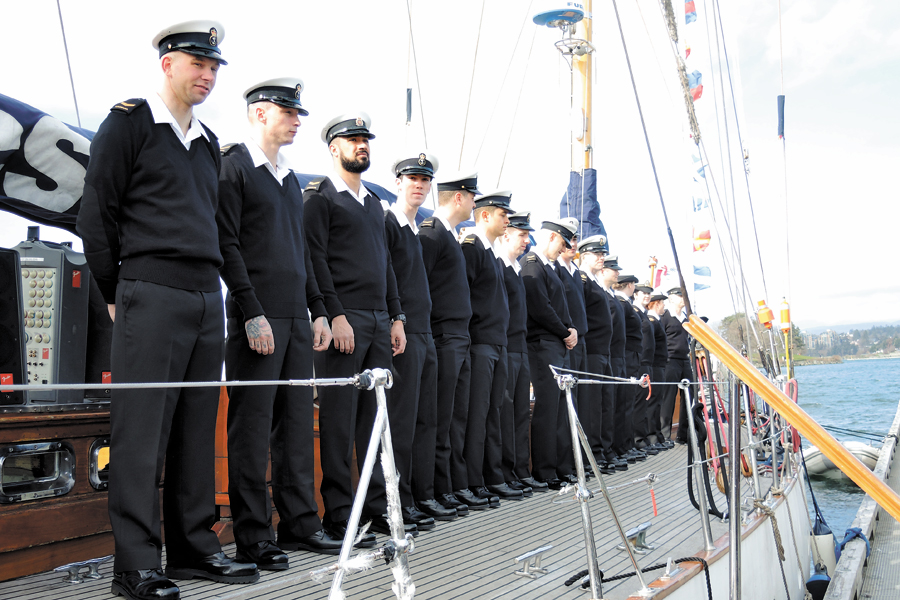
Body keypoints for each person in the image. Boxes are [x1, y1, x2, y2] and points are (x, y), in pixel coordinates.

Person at [77, 20, 258, 600]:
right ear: (167, 64)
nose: (207, 75)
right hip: (149, 289)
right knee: (141, 434)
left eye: (214, 67)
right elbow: (96, 214)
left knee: (195, 430)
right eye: (197, 63)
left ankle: (193, 547)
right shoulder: (128, 124)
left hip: (207, 296)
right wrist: (115, 291)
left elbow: (216, 227)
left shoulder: (207, 144)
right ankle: (134, 565)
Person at [216, 78, 343, 569]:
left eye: (297, 114)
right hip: (258, 316)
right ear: (258, 113)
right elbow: (227, 244)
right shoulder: (234, 167)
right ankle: (253, 535)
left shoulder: (289, 180)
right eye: (287, 112)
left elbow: (302, 253)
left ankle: (300, 523)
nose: (295, 121)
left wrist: (318, 309)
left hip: (294, 318)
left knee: (295, 426)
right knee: (251, 429)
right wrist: (251, 312)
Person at [302, 112, 412, 540]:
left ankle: (376, 509)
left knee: (376, 422)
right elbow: (315, 260)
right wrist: (334, 314)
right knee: (338, 423)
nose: (362, 145)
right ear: (334, 148)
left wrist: (396, 316)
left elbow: (386, 265)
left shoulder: (374, 204)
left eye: (365, 139)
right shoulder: (320, 198)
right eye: (352, 139)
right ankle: (338, 514)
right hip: (344, 321)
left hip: (379, 322)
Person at [382, 151, 447, 529]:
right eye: (413, 179)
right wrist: (397, 320)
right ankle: (396, 502)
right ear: (398, 183)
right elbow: (386, 278)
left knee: (424, 421)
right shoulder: (389, 223)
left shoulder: (413, 229)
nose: (419, 185)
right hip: (404, 334)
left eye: (425, 180)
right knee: (401, 424)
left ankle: (417, 497)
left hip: (425, 333)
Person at [418, 172, 485, 513]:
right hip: (443, 337)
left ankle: (450, 486)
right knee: (439, 419)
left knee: (456, 419)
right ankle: (433, 490)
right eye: (472, 197)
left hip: (460, 337)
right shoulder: (432, 233)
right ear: (458, 197)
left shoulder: (449, 236)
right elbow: (419, 285)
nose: (474, 203)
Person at [460, 190, 520, 506]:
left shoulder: (492, 253)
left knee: (493, 413)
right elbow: (464, 296)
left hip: (498, 344)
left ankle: (492, 478)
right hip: (480, 344)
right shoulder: (472, 248)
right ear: (485, 215)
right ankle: (473, 481)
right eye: (502, 214)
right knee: (477, 415)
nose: (507, 220)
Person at [520, 219, 578, 488]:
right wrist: (565, 331)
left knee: (561, 409)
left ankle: (561, 467)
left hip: (556, 343)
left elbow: (559, 306)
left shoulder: (549, 267)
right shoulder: (532, 264)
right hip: (543, 344)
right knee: (547, 409)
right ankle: (545, 470)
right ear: (553, 237)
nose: (564, 250)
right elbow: (540, 307)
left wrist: (570, 329)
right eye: (563, 244)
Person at [498, 213, 546, 492]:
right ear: (506, 235)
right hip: (504, 348)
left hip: (520, 348)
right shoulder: (500, 266)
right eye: (522, 235)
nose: (527, 241)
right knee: (505, 413)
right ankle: (506, 473)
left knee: (519, 413)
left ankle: (520, 470)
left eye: (528, 236)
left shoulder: (516, 269)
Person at [576, 235, 615, 474]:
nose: (602, 258)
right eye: (597, 254)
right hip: (591, 350)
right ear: (585, 256)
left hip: (603, 351)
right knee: (591, 407)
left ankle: (602, 452)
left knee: (604, 405)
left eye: (602, 254)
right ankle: (592, 456)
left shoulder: (595, 282)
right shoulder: (582, 280)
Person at [555, 220, 588, 477]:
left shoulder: (575, 272)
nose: (572, 244)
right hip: (565, 341)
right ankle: (563, 464)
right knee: (563, 406)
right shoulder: (555, 268)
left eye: (575, 239)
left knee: (579, 404)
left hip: (580, 342)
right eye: (568, 239)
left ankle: (577, 461)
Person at [611, 273, 647, 464]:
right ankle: (621, 446)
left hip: (631, 357)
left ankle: (626, 444)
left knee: (628, 404)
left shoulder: (625, 304)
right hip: (625, 356)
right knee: (623, 404)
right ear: (630, 285)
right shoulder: (622, 303)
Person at [598, 256, 628, 471]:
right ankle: (603, 451)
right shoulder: (601, 293)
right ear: (603, 271)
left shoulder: (611, 295)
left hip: (615, 355)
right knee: (604, 406)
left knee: (613, 405)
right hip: (604, 353)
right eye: (613, 269)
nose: (617, 273)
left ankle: (611, 449)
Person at [660, 287, 693, 443]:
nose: (682, 299)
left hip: (685, 360)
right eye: (680, 296)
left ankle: (683, 434)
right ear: (671, 298)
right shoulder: (665, 317)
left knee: (689, 396)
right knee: (668, 397)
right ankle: (664, 435)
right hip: (670, 360)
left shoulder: (687, 319)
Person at [631, 282, 658, 455]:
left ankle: (642, 438)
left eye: (649, 293)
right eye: (643, 293)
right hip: (639, 362)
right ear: (635, 294)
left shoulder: (643, 313)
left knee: (644, 403)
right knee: (638, 403)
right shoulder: (634, 312)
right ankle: (637, 440)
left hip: (647, 362)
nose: (647, 296)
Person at [646, 291, 673, 450]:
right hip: (654, 366)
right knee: (652, 402)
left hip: (660, 366)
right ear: (656, 304)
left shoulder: (656, 321)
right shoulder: (651, 321)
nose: (664, 306)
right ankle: (651, 437)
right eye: (662, 303)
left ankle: (657, 435)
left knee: (657, 402)